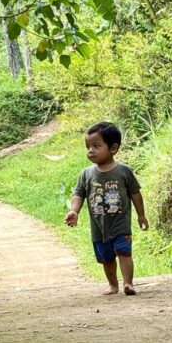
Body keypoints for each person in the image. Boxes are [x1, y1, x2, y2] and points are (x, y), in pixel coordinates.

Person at [65, 122, 148, 296]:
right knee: (106, 257)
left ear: (113, 148)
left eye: (96, 146)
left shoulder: (124, 171)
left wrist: (141, 215)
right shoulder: (86, 174)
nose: (90, 151)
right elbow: (79, 194)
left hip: (120, 224)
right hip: (99, 227)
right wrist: (74, 211)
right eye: (88, 147)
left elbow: (135, 194)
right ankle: (112, 285)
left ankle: (128, 283)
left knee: (124, 252)